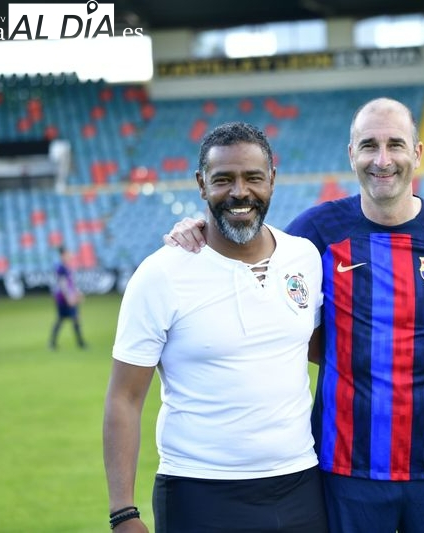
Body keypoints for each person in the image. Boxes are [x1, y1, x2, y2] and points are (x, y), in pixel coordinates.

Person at [165, 98, 424, 532]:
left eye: (395, 145)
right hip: (344, 471)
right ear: (351, 154)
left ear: (418, 153)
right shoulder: (313, 234)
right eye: (369, 145)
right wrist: (198, 229)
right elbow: (246, 251)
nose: (383, 159)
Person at [103, 122, 328, 533]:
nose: (240, 192)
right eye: (223, 179)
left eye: (253, 178)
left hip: (300, 485)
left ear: (272, 181)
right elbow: (124, 398)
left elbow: (318, 349)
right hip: (200, 491)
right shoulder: (161, 275)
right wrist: (123, 513)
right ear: (201, 185)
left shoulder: (304, 258)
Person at [48, 245, 87, 350]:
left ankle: (53, 343)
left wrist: (77, 293)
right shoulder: (61, 268)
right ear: (63, 255)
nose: (70, 256)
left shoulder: (66, 267)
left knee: (71, 318)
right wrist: (69, 297)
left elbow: (70, 283)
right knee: (67, 318)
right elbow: (63, 284)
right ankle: (80, 343)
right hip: (63, 298)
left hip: (67, 297)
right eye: (68, 254)